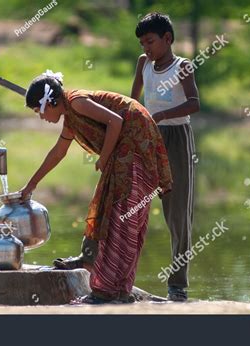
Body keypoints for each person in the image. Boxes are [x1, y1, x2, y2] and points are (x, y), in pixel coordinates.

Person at [20, 70, 172, 303]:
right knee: (113, 211)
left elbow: (116, 121)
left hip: (135, 139)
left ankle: (109, 289)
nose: (40, 116)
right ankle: (113, 284)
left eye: (38, 110)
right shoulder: (70, 117)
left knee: (122, 215)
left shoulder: (76, 102)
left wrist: (104, 158)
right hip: (125, 144)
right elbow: (58, 152)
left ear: (50, 102)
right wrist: (31, 185)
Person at [131, 12, 200, 301]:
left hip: (175, 139)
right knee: (128, 203)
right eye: (142, 43)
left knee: (177, 214)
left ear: (167, 39)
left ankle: (177, 285)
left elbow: (194, 103)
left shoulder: (183, 67)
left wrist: (161, 115)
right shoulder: (143, 63)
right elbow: (133, 100)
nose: (146, 47)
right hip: (147, 138)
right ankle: (113, 272)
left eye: (150, 41)